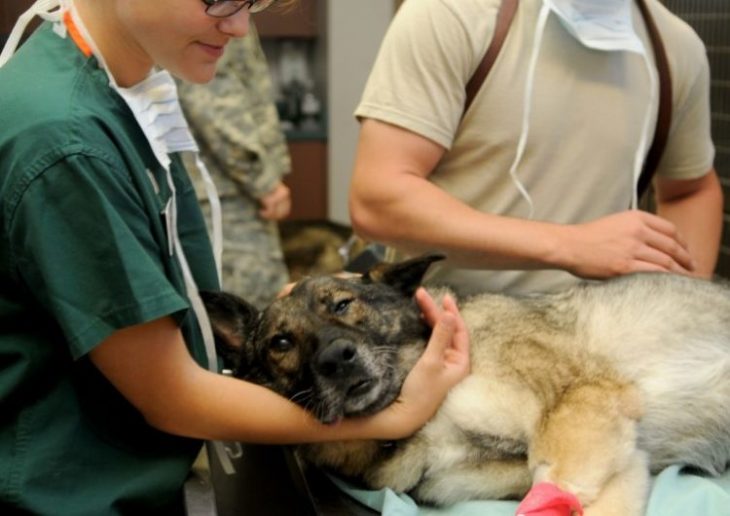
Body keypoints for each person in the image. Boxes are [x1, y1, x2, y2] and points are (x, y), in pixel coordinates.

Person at [0, 1, 470, 514]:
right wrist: (397, 415)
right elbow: (172, 396)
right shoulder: (66, 143)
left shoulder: (117, 93)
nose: (242, 26)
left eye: (254, 4)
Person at [350, 0, 723, 297]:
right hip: (449, 332)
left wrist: (679, 305)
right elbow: (378, 198)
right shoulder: (453, 12)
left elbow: (691, 189)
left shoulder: (675, 45)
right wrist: (569, 245)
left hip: (603, 340)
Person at [178, 23, 292, 309]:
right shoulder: (217, 10)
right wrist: (263, 181)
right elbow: (212, 100)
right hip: (225, 193)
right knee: (250, 316)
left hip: (219, 187)